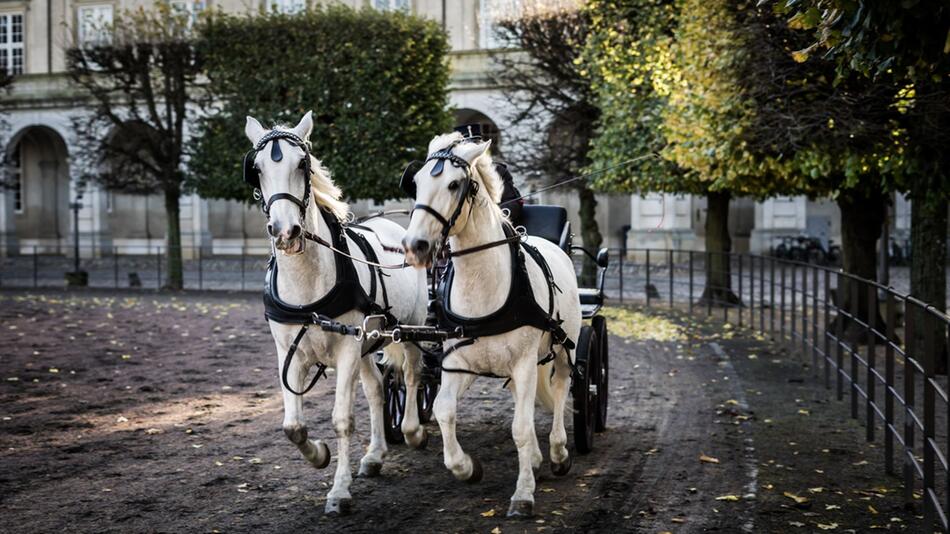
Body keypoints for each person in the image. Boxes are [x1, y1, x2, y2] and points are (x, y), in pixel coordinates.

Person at [453, 124, 524, 227]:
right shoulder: (452, 176)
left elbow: (513, 203)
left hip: (494, 229)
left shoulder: (498, 171)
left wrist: (492, 216)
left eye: (476, 147)